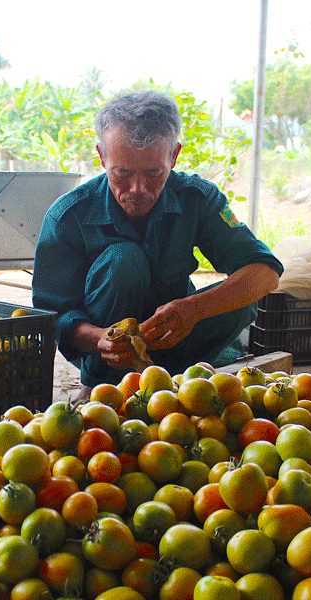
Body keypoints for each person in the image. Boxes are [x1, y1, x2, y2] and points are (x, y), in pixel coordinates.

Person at [32, 90, 283, 393]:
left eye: (154, 173)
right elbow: (54, 316)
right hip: (108, 363)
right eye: (122, 173)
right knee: (123, 260)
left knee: (241, 298)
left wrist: (194, 308)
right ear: (102, 156)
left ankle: (178, 379)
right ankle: (103, 385)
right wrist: (102, 338)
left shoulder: (195, 198)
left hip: (177, 340)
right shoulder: (68, 216)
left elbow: (265, 273)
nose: (137, 188)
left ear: (174, 156)